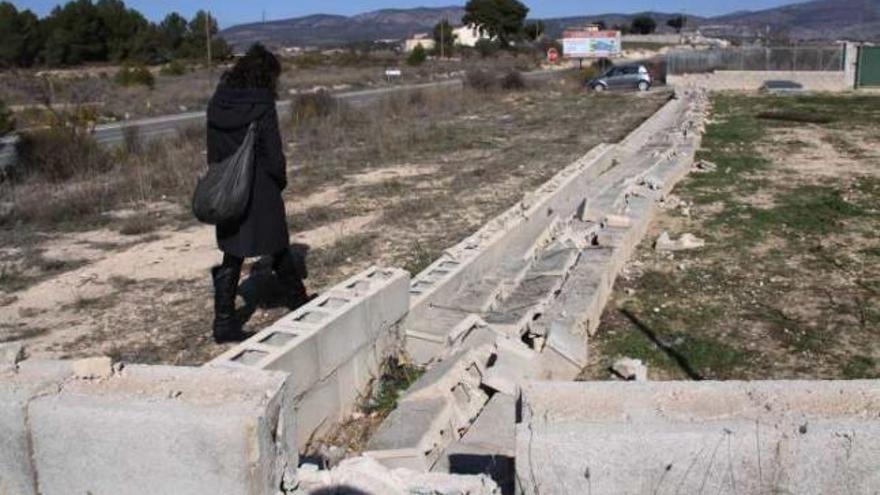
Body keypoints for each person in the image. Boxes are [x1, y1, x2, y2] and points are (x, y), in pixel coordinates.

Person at [206, 44, 310, 343]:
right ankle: (297, 299)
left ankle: (224, 322)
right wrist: (278, 180)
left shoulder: (218, 101)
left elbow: (212, 148)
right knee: (277, 243)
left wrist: (221, 178)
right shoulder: (262, 102)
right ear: (267, 75)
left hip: (227, 185)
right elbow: (273, 152)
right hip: (260, 184)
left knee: (233, 252)